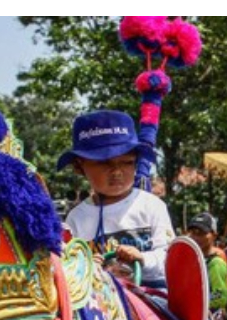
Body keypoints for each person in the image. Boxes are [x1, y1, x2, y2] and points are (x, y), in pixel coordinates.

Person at [58, 110, 174, 290]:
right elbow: (69, 268)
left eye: (127, 162)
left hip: (150, 294)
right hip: (98, 300)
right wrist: (86, 267)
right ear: (80, 166)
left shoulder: (152, 206)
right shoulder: (76, 218)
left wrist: (143, 258)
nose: (117, 172)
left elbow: (170, 258)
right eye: (104, 163)